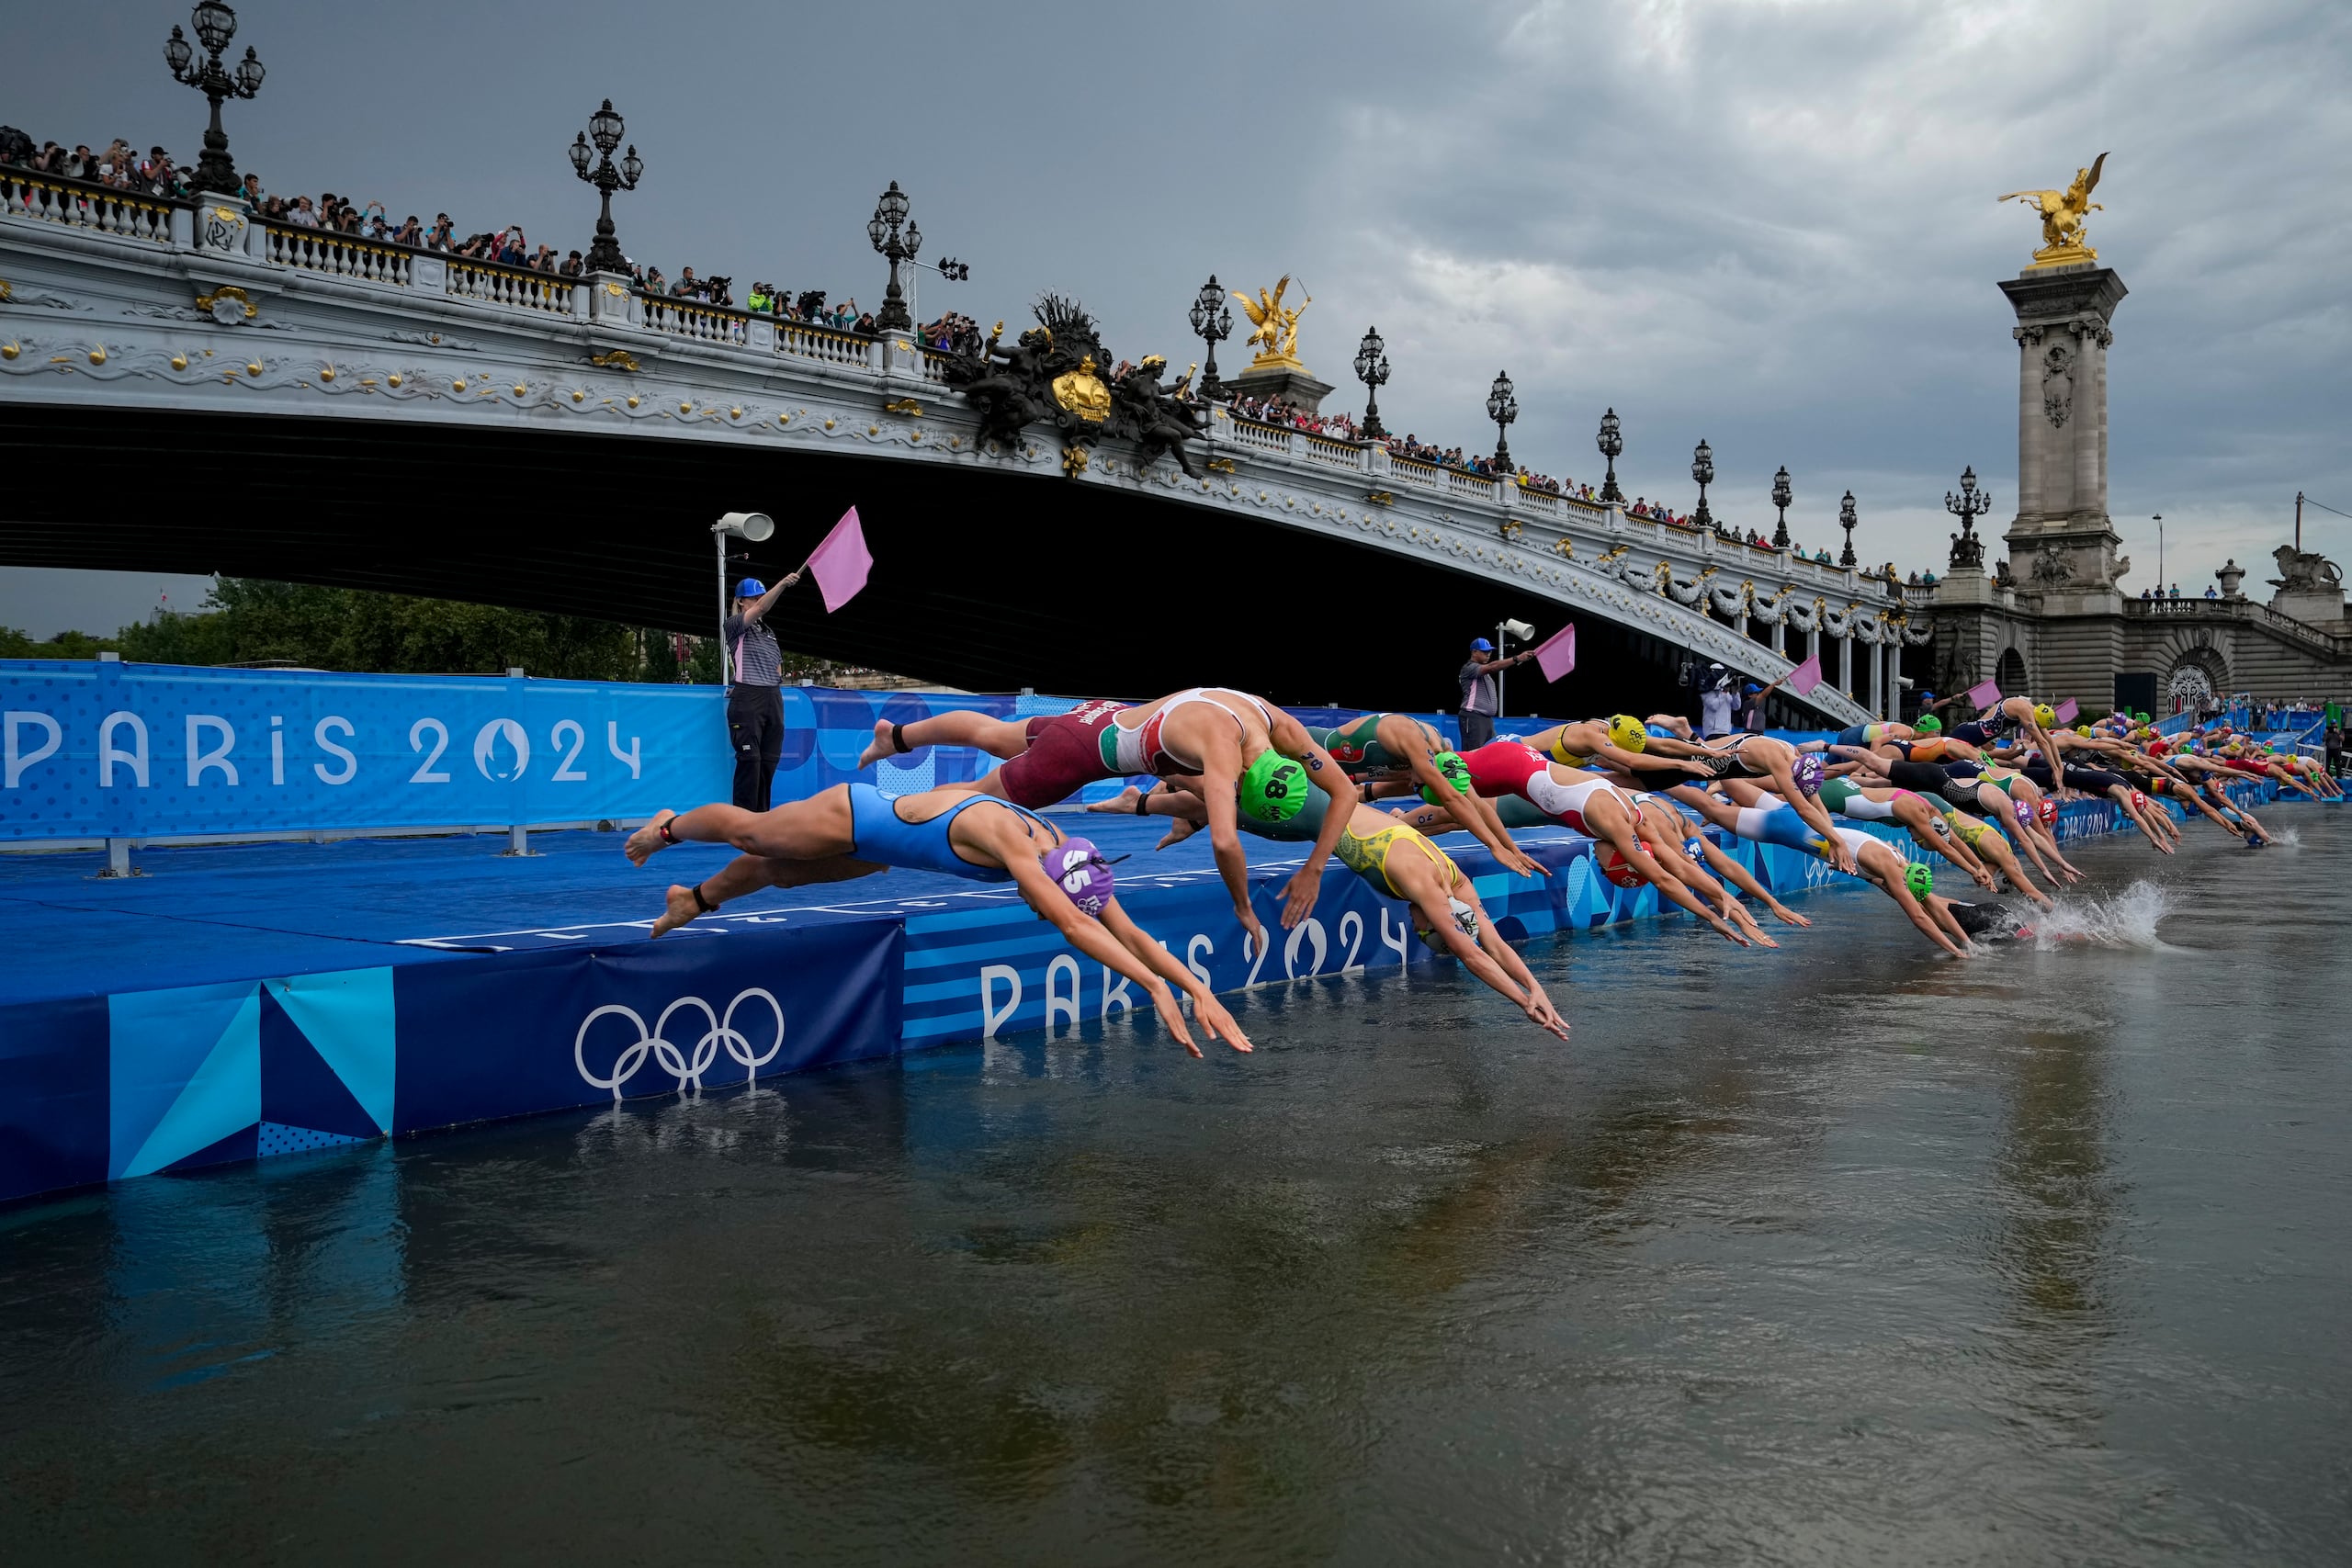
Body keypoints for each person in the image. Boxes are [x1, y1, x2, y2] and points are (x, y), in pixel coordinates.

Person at [623, 785, 1250, 1058]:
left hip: (882, 852)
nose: (1036, 906)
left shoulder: (1068, 850)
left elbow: (1129, 931)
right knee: (756, 834)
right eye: (1042, 899)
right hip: (856, 814)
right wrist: (1152, 986)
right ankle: (670, 826)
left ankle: (694, 900)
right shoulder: (1018, 844)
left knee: (778, 873)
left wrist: (1195, 987)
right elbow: (1077, 928)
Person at [857, 688, 1358, 956]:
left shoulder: (1276, 722)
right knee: (976, 801)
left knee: (995, 734)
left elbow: (1342, 792)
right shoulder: (1224, 756)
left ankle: (896, 735)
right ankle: (891, 820)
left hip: (1096, 716)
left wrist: (1314, 867)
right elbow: (1227, 843)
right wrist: (1244, 908)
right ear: (1247, 775)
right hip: (1079, 757)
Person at [723, 572, 800, 811]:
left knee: (768, 761)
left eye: (760, 597)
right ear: (740, 602)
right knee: (750, 760)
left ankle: (761, 818)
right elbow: (762, 609)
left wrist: (774, 678)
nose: (759, 601)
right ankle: (742, 820)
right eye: (753, 598)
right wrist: (783, 584)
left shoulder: (769, 632)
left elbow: (777, 664)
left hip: (772, 696)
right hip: (748, 696)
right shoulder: (734, 625)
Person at [1457, 637, 1532, 751]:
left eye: (1490, 652)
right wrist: (1517, 659)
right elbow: (1493, 667)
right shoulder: (1469, 668)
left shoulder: (1483, 673)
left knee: (1490, 752)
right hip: (1473, 716)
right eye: (1485, 651)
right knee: (1473, 754)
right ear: (1474, 652)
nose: (1488, 654)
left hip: (1486, 719)